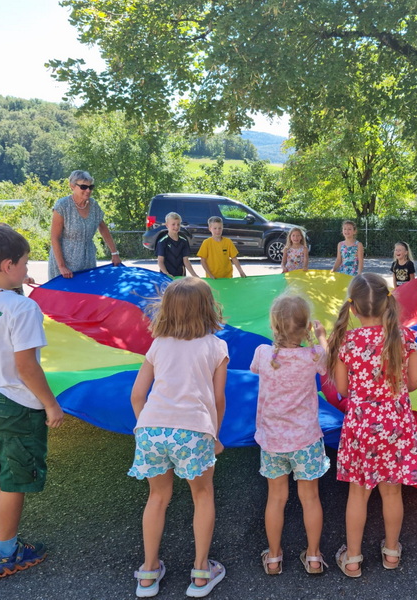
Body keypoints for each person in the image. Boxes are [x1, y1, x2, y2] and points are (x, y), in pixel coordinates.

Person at [0, 224, 64, 578]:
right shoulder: (22, 307)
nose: (27, 268)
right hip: (14, 405)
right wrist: (50, 404)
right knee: (14, 480)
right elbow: (26, 366)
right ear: (8, 265)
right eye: (24, 262)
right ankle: (7, 553)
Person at [128, 278, 228, 597]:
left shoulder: (158, 344)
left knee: (157, 497)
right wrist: (214, 435)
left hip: (151, 429)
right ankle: (201, 572)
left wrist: (145, 427)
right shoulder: (216, 346)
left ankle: (148, 573)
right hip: (194, 429)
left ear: (167, 309)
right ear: (207, 308)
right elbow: (218, 398)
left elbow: (137, 395)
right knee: (202, 495)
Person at [326, 273, 417, 577]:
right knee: (392, 493)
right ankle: (392, 553)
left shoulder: (347, 342)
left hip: (361, 425)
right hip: (396, 423)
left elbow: (342, 389)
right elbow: (416, 381)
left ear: (353, 308)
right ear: (387, 304)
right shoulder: (404, 337)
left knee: (358, 494)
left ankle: (353, 559)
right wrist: (394, 391)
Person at [250, 295, 330, 575]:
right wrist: (321, 337)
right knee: (310, 498)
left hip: (272, 441)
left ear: (273, 326)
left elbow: (254, 369)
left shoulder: (263, 353)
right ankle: (314, 557)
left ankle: (273, 557)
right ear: (306, 327)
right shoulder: (313, 355)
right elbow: (328, 361)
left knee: (276, 498)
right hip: (306, 441)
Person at [49, 170, 121, 279]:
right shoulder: (62, 206)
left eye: (90, 187)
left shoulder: (94, 205)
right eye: (83, 187)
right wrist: (62, 266)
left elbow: (103, 228)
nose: (88, 190)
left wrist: (114, 253)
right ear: (72, 186)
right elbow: (54, 237)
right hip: (64, 263)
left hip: (88, 261)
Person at [156, 212, 198, 278]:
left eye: (178, 224)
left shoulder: (183, 241)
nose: (176, 227)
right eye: (173, 224)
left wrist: (194, 275)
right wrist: (166, 273)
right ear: (167, 225)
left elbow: (186, 260)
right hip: (167, 277)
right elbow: (160, 261)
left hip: (181, 276)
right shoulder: (162, 242)